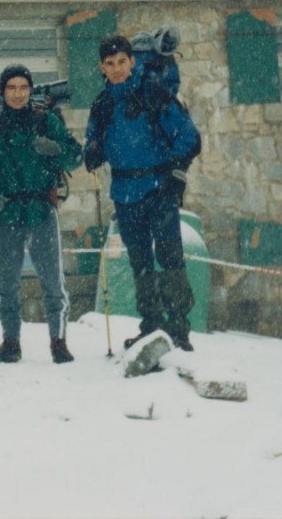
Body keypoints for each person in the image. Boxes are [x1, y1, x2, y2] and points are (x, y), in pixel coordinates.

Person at [84, 36, 200, 352]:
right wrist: (91, 152)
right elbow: (92, 140)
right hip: (124, 192)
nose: (117, 69)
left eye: (122, 61)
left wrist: (177, 172)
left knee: (170, 259)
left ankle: (179, 330)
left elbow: (189, 137)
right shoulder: (102, 104)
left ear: (132, 62)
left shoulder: (153, 93)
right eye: (110, 64)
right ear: (101, 68)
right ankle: (151, 325)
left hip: (159, 188)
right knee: (140, 263)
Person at [0, 64, 83, 364]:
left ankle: (58, 341)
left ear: (30, 90)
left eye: (23, 87)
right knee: (7, 283)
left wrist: (54, 149)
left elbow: (75, 157)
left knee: (52, 280)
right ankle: (10, 341)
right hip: (4, 212)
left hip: (41, 209)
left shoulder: (46, 122)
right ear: (2, 92)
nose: (17, 94)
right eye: (11, 88)